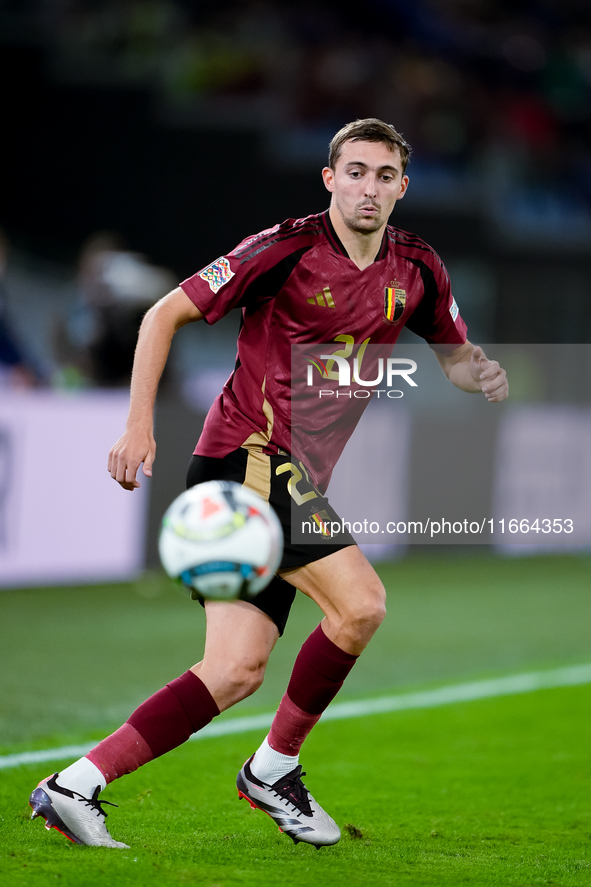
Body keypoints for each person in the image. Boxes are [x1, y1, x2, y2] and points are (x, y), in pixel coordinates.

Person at [29, 118, 508, 849]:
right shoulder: (284, 248)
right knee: (360, 605)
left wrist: (482, 371)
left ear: (402, 187)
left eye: (383, 175)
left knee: (233, 669)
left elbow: (451, 358)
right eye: (354, 171)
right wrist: (137, 425)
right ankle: (274, 766)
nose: (367, 187)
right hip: (247, 459)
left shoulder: (416, 268)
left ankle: (75, 783)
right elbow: (164, 313)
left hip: (290, 476)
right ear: (329, 178)